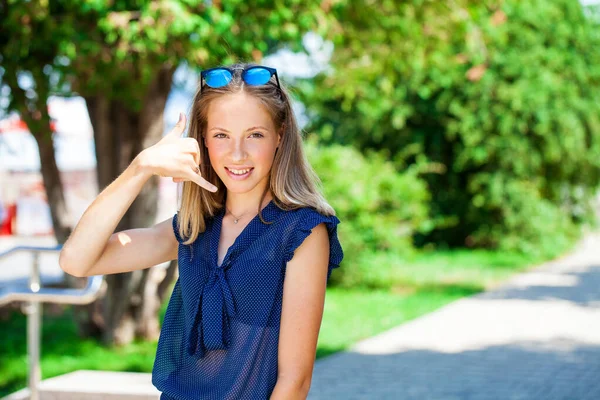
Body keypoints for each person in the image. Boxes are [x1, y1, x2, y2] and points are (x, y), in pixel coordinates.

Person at [59, 62, 344, 400]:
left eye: (255, 134)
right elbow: (76, 261)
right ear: (203, 141)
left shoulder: (301, 231)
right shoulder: (194, 227)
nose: (237, 153)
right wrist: (141, 168)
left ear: (279, 136)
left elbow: (294, 382)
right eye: (221, 135)